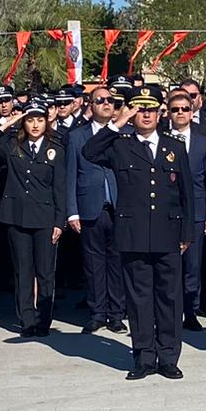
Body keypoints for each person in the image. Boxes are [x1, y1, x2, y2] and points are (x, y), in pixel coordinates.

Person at [83, 84, 193, 379]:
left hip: (168, 232)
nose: (146, 114)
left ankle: (169, 357)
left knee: (169, 298)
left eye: (151, 109)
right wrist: (117, 123)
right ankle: (144, 357)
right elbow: (89, 151)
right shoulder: (121, 144)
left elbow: (187, 194)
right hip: (133, 234)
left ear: (160, 113)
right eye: (140, 109)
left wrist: (187, 233)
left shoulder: (174, 147)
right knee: (139, 299)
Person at [0, 99, 67, 337]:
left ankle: (44, 320)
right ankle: (26, 320)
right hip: (17, 217)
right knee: (23, 272)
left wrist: (60, 222)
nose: (35, 125)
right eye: (30, 120)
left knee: (46, 273)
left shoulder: (55, 149)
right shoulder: (12, 146)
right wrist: (8, 123)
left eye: (39, 120)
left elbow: (60, 188)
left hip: (45, 218)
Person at [65, 86, 126, 334]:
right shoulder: (77, 136)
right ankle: (97, 313)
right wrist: (72, 211)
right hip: (89, 207)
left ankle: (116, 314)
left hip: (118, 207)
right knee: (93, 264)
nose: (106, 103)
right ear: (90, 104)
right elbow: (70, 174)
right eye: (100, 100)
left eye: (111, 100)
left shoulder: (124, 134)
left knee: (117, 263)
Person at [163, 87, 206, 330]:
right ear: (168, 113)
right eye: (175, 110)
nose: (180, 113)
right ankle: (169, 311)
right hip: (167, 213)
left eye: (185, 109)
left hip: (196, 212)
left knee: (193, 266)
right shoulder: (161, 139)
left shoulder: (203, 142)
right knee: (170, 265)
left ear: (192, 110)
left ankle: (191, 311)